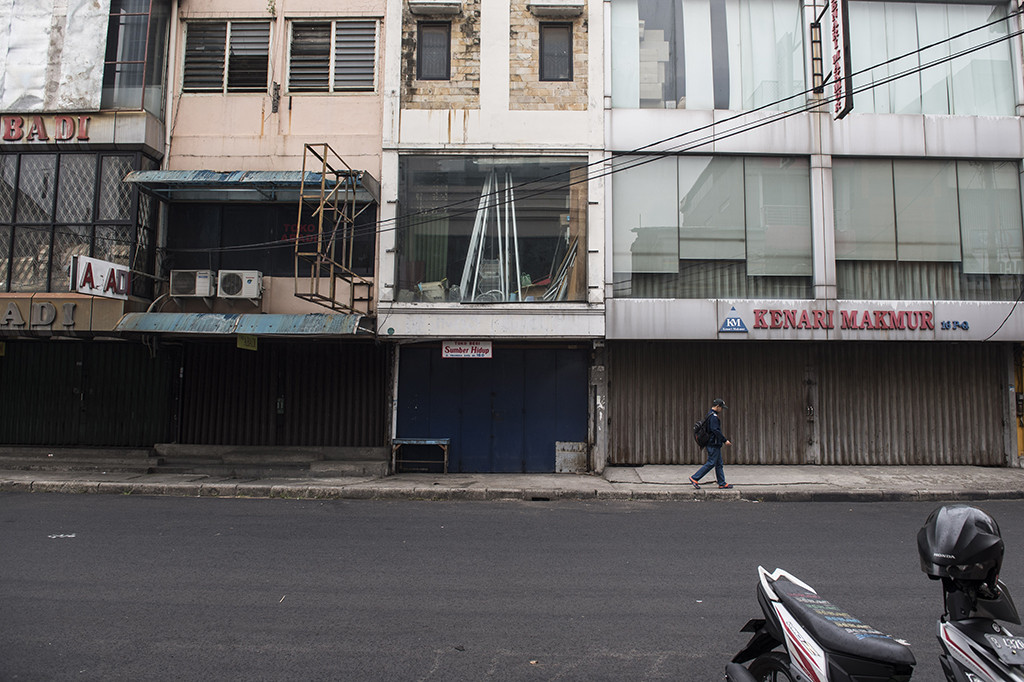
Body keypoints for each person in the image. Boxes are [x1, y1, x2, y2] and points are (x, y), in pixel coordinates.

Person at [690, 398, 733, 489]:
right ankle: (695, 477)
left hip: (714, 444)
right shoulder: (713, 417)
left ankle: (722, 482)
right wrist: (724, 440)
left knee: (718, 464)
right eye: (721, 408)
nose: (721, 410)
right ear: (717, 406)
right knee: (711, 463)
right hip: (713, 443)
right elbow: (715, 430)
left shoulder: (710, 415)